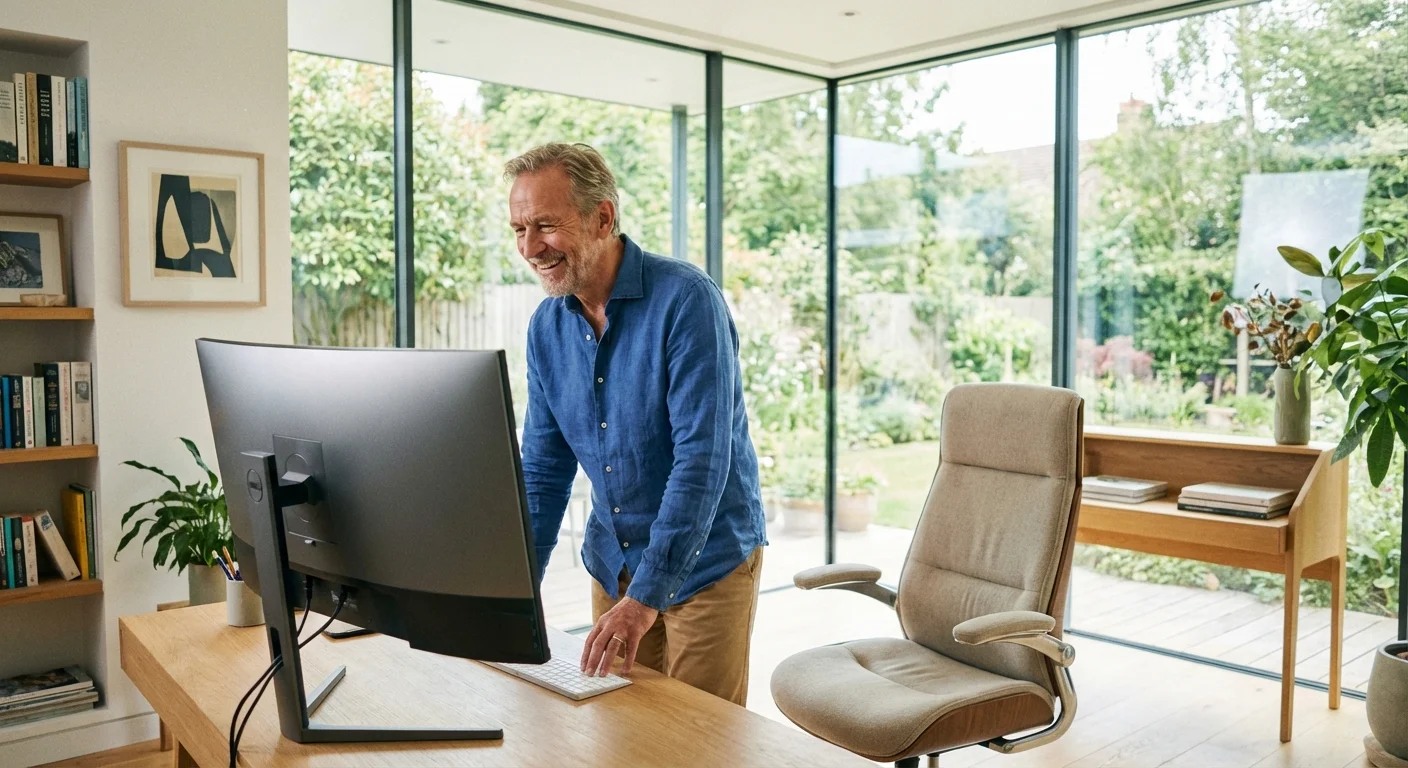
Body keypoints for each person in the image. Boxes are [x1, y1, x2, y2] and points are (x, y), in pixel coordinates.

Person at [507, 142, 767, 706]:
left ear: (603, 217)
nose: (529, 248)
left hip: (707, 563)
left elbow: (702, 461)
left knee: (699, 735)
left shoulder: (687, 301)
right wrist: (513, 592)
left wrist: (646, 598)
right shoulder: (547, 329)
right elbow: (543, 473)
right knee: (620, 730)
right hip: (615, 562)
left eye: (545, 225)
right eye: (519, 230)